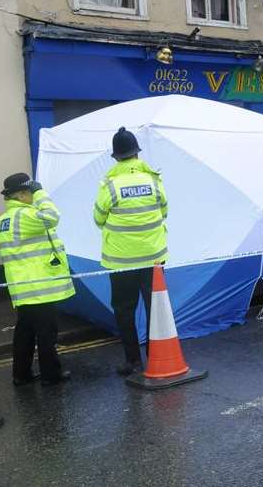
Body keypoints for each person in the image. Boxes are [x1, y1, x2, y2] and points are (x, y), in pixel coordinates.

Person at [94, 128, 168, 376]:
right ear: (137, 153)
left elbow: (98, 218)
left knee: (125, 310)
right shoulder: (153, 179)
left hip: (121, 260)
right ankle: (157, 356)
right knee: (154, 308)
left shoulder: (109, 184)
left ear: (115, 157)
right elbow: (164, 210)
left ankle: (133, 362)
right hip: (153, 258)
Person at [0, 173, 74, 387]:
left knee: (25, 333)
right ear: (21, 195)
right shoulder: (24, 216)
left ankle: (21, 374)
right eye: (29, 192)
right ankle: (51, 375)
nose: (32, 196)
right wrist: (40, 193)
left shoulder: (4, 220)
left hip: (22, 286)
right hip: (39, 285)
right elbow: (52, 216)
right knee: (46, 332)